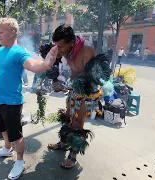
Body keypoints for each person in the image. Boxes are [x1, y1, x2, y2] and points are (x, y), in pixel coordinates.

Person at [0, 17, 57, 180]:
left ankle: (20, 161)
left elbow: (32, 65)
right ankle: (6, 148)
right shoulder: (0, 50)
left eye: (1, 32)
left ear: (12, 33)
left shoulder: (18, 52)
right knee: (2, 128)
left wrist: (45, 64)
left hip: (12, 103)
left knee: (16, 134)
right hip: (0, 100)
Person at [46, 25, 112, 169]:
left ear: (71, 42)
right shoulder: (62, 47)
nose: (59, 49)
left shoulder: (86, 49)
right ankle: (63, 143)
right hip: (74, 86)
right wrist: (56, 80)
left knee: (77, 123)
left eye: (61, 46)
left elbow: (93, 76)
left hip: (87, 89)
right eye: (57, 46)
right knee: (68, 115)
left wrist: (72, 85)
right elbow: (52, 63)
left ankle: (73, 155)